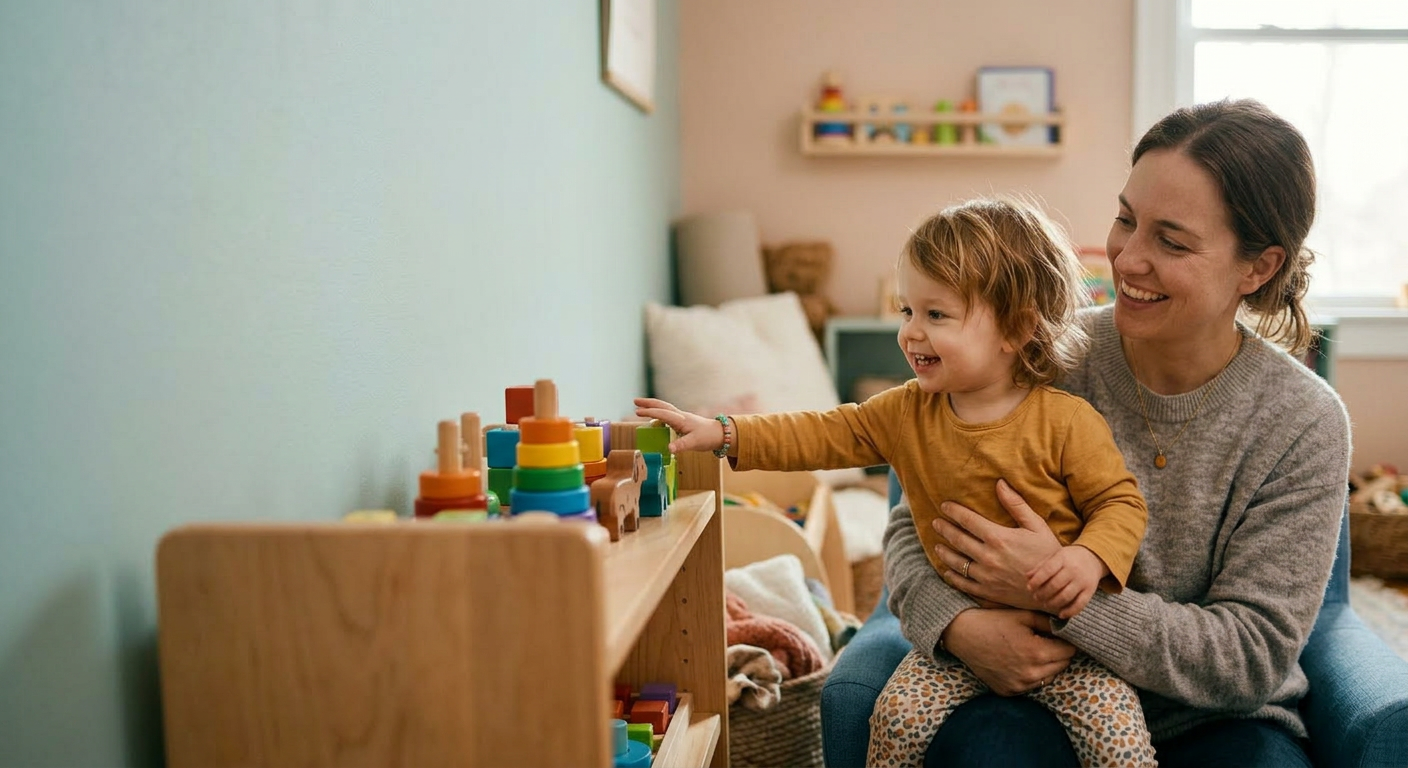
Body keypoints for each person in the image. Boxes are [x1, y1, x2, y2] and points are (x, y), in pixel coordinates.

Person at [875, 98, 1351, 768]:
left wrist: (1056, 592)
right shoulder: (1044, 353)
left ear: (1258, 268)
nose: (1127, 258)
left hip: (1214, 721)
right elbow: (912, 525)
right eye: (1127, 219)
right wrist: (960, 626)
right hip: (1033, 692)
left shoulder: (1302, 421)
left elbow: (1249, 656)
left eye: (1172, 241)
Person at [636, 196, 1157, 767]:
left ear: (1016, 328)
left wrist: (1086, 561)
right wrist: (724, 432)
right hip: (957, 642)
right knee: (894, 720)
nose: (911, 333)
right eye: (908, 311)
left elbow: (1121, 504)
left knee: (1122, 744)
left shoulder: (1066, 420)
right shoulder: (904, 412)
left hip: (1071, 651)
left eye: (937, 315)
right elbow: (820, 432)